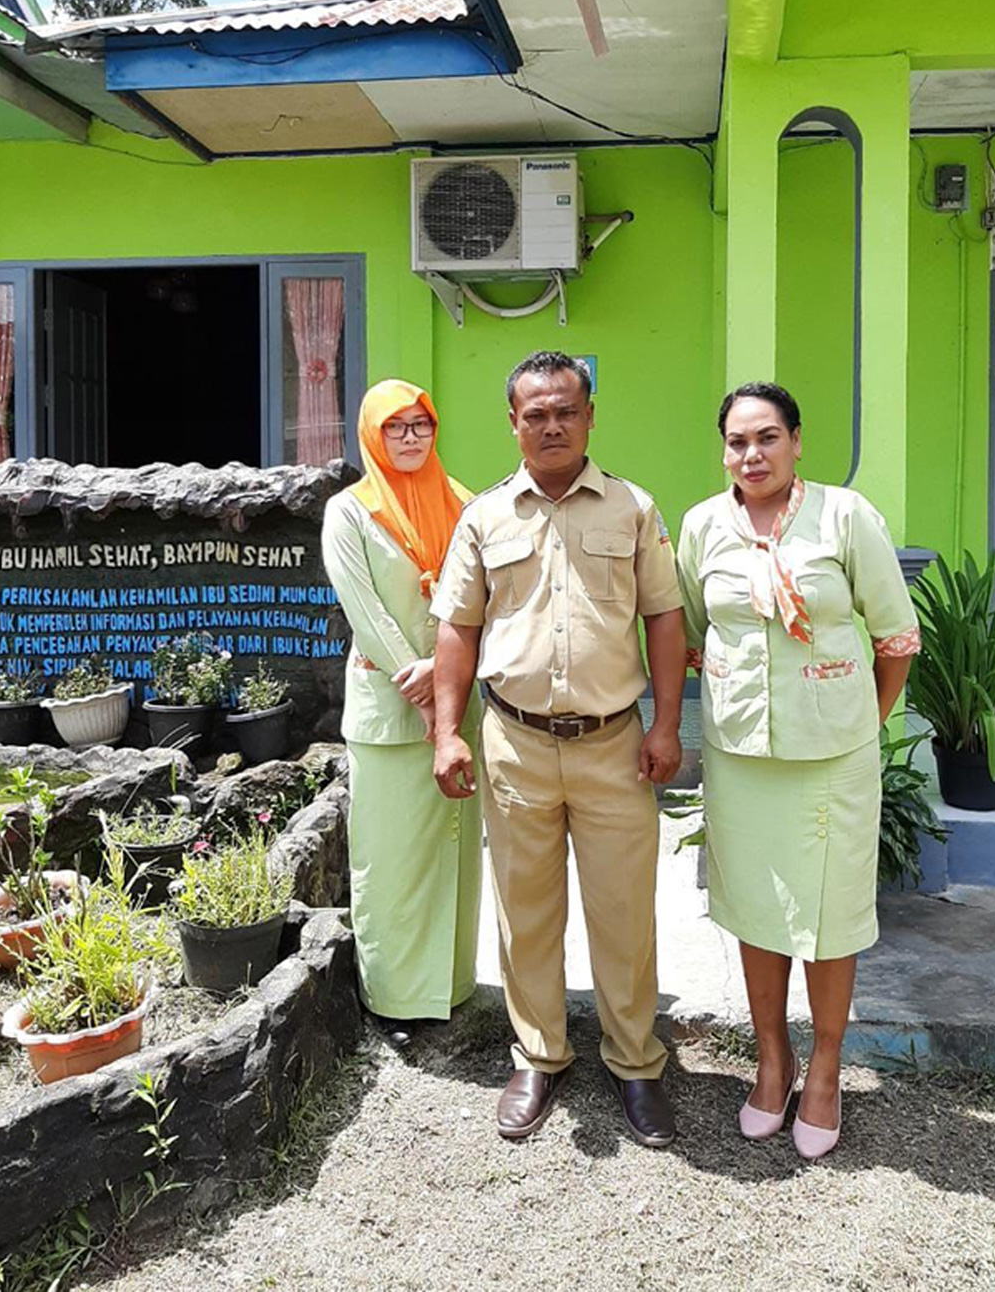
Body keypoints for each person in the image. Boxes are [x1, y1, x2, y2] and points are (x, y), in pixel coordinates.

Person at [430, 350, 687, 1146]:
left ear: (589, 417)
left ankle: (636, 1061)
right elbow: (456, 629)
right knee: (526, 913)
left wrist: (668, 722)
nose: (551, 424)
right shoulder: (484, 517)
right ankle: (539, 1053)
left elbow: (666, 619)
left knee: (623, 914)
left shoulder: (632, 508)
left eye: (565, 410)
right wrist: (447, 732)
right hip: (515, 743)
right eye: (534, 413)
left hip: (615, 744)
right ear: (513, 421)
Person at [676, 382, 919, 1159]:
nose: (753, 453)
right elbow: (687, 631)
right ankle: (771, 1057)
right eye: (739, 440)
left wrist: (859, 724)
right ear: (723, 451)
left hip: (833, 759)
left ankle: (824, 1066)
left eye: (768, 436)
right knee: (756, 909)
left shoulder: (845, 517)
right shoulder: (703, 527)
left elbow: (893, 638)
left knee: (830, 913)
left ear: (797, 441)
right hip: (742, 756)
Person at [321, 380, 482, 1042]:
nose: (412, 436)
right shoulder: (349, 512)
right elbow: (364, 608)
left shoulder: (467, 504)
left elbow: (480, 600)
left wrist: (445, 677)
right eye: (397, 426)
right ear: (372, 435)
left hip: (457, 710)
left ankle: (451, 982)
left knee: (453, 849)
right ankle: (392, 992)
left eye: (422, 423)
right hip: (388, 713)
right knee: (388, 856)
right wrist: (417, 677)